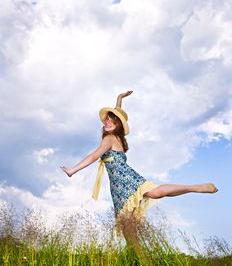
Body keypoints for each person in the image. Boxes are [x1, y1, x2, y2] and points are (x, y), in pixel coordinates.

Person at [60, 91, 218, 253]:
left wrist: (73, 170)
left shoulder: (109, 139)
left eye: (112, 120)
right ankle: (139, 259)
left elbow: (94, 156)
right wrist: (119, 99)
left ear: (118, 124)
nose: (108, 121)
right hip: (118, 185)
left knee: (153, 195)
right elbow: (118, 114)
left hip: (124, 178)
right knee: (128, 224)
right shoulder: (117, 137)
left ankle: (196, 187)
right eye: (107, 118)